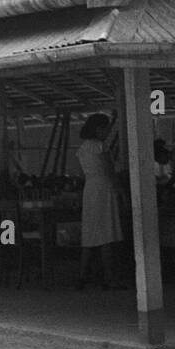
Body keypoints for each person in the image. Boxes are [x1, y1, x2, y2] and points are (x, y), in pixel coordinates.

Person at [75, 113, 125, 290]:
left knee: (90, 234)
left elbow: (81, 174)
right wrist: (121, 192)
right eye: (106, 129)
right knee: (107, 234)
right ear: (99, 129)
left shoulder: (82, 149)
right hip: (104, 189)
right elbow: (110, 171)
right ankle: (110, 278)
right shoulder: (100, 147)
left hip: (90, 190)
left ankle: (82, 276)